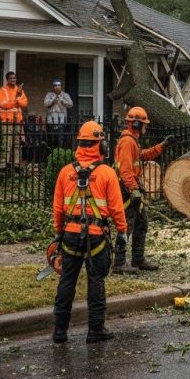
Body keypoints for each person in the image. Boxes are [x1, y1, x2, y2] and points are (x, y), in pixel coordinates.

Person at [52, 121, 127, 344]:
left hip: (70, 234)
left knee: (67, 280)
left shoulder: (66, 172)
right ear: (100, 145)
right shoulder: (106, 173)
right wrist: (122, 232)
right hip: (96, 235)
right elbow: (116, 208)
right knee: (96, 280)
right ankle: (95, 329)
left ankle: (59, 331)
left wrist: (58, 233)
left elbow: (57, 209)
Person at [112, 107, 173, 273]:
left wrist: (161, 146)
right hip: (127, 190)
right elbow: (125, 171)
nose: (146, 127)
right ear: (137, 124)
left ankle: (138, 259)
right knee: (126, 226)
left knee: (141, 224)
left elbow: (142, 156)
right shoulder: (127, 142)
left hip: (132, 189)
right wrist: (133, 190)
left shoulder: (133, 140)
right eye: (144, 124)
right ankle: (119, 262)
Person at [0, 71, 28, 169]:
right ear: (7, 79)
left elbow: (25, 103)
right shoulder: (2, 90)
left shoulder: (19, 90)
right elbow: (3, 104)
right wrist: (16, 101)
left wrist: (16, 100)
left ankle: (16, 165)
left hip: (17, 121)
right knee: (7, 144)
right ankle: (3, 165)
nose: (13, 80)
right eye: (11, 78)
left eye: (14, 78)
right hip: (7, 121)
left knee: (17, 144)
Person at [44, 79, 73, 151]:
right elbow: (45, 104)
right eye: (55, 85)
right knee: (52, 139)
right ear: (53, 87)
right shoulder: (49, 94)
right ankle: (52, 154)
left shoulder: (65, 95)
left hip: (62, 120)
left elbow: (71, 104)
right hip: (51, 120)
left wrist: (62, 100)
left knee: (61, 139)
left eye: (58, 85)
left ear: (61, 86)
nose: (57, 87)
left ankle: (60, 154)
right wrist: (53, 99)